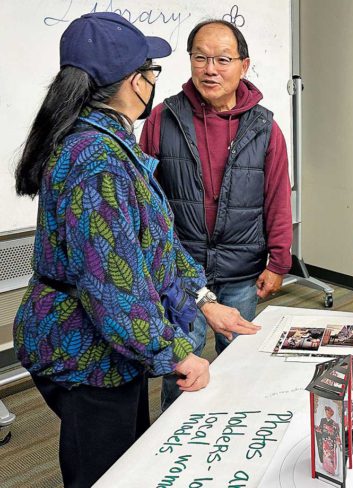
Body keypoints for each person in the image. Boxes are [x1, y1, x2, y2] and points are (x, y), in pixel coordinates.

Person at [12, 13, 258, 487]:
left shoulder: (107, 140)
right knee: (103, 473)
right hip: (84, 352)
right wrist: (175, 355)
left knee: (130, 459)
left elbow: (154, 246)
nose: (154, 81)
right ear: (134, 80)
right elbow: (113, 286)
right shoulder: (97, 162)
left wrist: (205, 303)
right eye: (153, 70)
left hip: (106, 348)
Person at [139, 19, 292, 410]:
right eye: (201, 58)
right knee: (183, 363)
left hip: (242, 267)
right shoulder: (163, 119)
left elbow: (276, 197)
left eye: (223, 59)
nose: (211, 69)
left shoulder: (264, 127)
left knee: (239, 355)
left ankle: (232, 426)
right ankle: (174, 433)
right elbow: (146, 201)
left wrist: (278, 260)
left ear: (244, 65)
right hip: (181, 270)